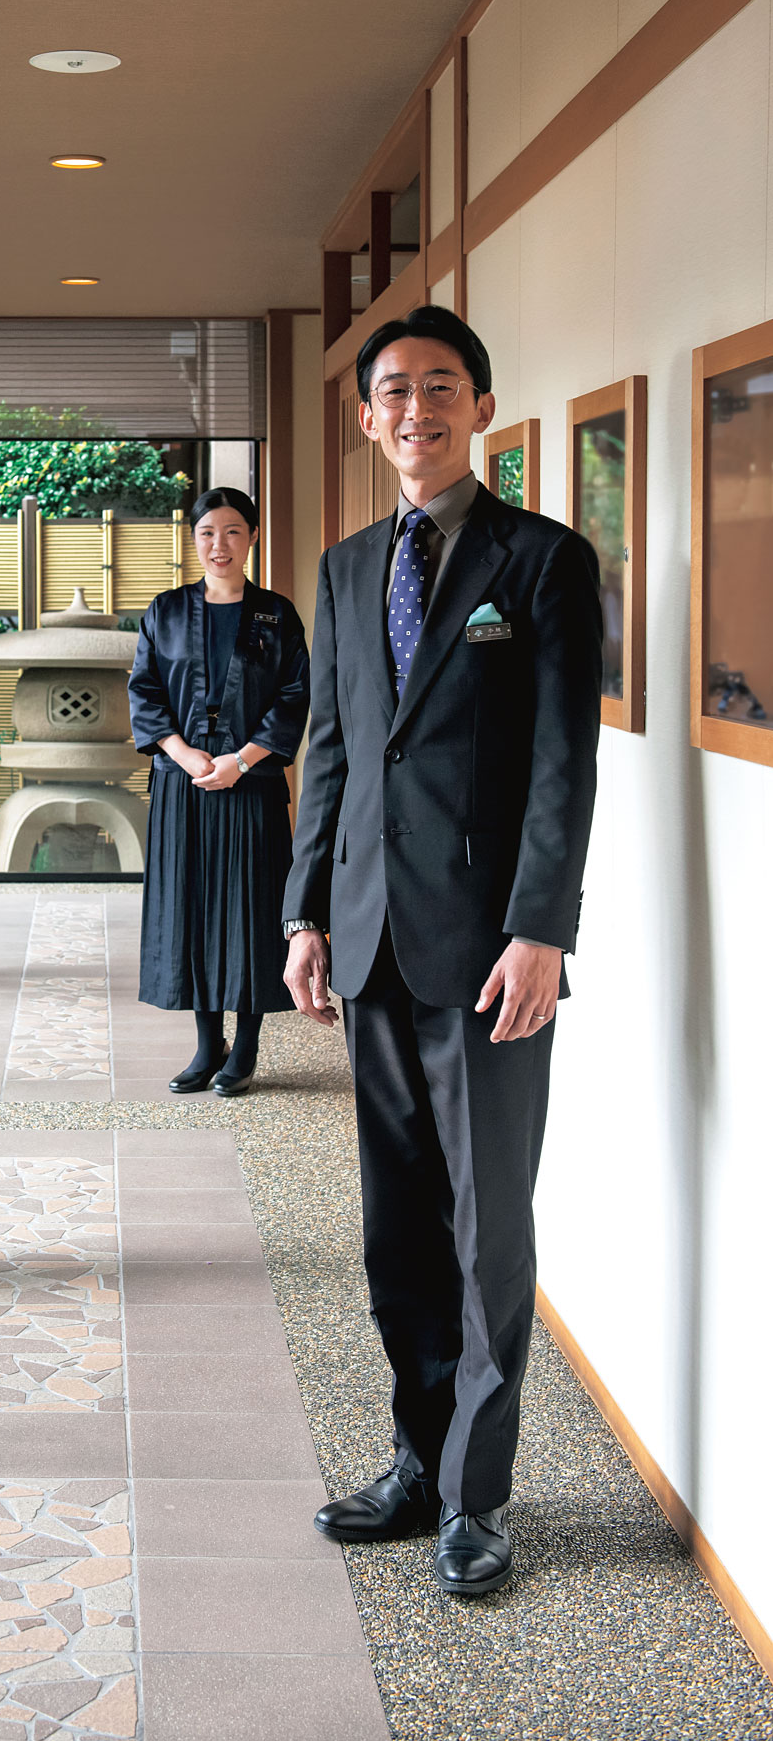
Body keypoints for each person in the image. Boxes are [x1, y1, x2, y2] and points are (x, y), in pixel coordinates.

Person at [283, 305, 601, 1596]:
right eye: (396, 391)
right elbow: (338, 746)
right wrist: (307, 909)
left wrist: (543, 927)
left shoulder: (541, 560)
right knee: (396, 1226)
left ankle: (479, 1491)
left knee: (486, 1229)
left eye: (443, 387)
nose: (418, 409)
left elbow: (561, 764)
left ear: (480, 407)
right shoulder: (352, 566)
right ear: (368, 418)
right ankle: (418, 1458)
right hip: (368, 938)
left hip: (486, 946)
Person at [129, 487, 309, 1095]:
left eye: (233, 532)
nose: (219, 544)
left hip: (252, 787)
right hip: (184, 789)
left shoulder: (277, 613)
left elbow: (294, 698)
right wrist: (182, 754)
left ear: (251, 537)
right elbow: (145, 691)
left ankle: (248, 1045)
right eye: (208, 532)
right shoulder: (165, 610)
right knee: (194, 909)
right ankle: (208, 1045)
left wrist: (240, 759)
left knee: (254, 911)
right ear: (194, 539)